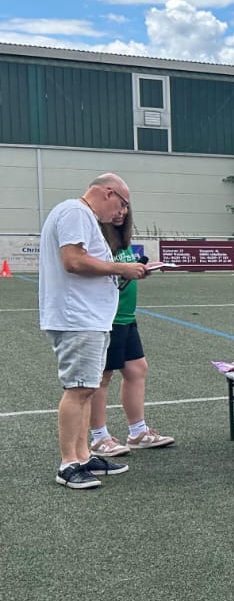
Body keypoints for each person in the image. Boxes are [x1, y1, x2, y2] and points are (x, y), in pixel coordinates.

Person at [39, 173, 148, 489]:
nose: (122, 213)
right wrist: (120, 268)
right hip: (77, 318)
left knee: (87, 388)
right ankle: (68, 463)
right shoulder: (75, 212)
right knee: (78, 389)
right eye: (122, 205)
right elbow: (73, 261)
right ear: (108, 192)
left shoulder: (82, 215)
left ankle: (83, 455)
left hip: (89, 318)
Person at [88, 208, 175, 458]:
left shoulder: (121, 238)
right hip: (108, 318)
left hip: (126, 316)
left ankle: (137, 432)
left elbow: (120, 275)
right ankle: (99, 437)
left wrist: (139, 270)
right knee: (102, 377)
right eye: (117, 207)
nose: (121, 213)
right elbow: (95, 271)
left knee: (137, 369)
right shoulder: (97, 237)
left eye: (125, 208)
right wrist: (124, 270)